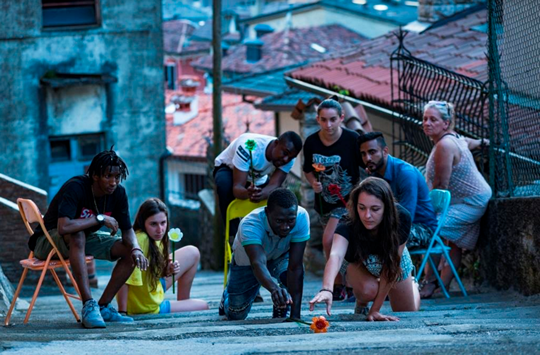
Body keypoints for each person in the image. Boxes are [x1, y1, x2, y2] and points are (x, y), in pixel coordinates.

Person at [28, 148, 148, 328]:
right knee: (77, 234)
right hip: (47, 242)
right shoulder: (76, 187)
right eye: (108, 176)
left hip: (84, 239)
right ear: (95, 176)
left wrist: (137, 248)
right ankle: (88, 305)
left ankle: (104, 307)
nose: (113, 182)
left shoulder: (118, 193)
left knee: (129, 251)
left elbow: (127, 229)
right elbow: (64, 227)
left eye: (117, 177)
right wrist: (99, 218)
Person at [309, 177, 420, 321]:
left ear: (386, 208)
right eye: (362, 208)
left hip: (391, 258)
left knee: (407, 311)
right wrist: (327, 288)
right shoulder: (347, 222)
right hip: (359, 260)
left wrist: (375, 310)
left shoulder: (401, 218)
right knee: (368, 291)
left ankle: (413, 285)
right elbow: (335, 255)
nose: (367, 215)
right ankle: (361, 303)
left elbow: (389, 267)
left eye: (375, 209)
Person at [421, 100, 492, 298]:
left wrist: (427, 214)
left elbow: (440, 186)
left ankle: (430, 282)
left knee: (431, 230)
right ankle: (441, 285)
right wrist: (482, 143)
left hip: (471, 202)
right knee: (451, 242)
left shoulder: (444, 145)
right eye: (425, 119)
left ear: (446, 123)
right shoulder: (453, 138)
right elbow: (467, 142)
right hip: (468, 199)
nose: (427, 123)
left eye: (433, 119)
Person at [219, 188, 310, 320]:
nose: (285, 227)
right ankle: (227, 296)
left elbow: (295, 267)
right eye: (279, 221)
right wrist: (274, 289)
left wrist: (295, 316)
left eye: (290, 221)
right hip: (249, 264)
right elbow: (257, 263)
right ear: (267, 212)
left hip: (279, 257)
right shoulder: (250, 223)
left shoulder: (301, 217)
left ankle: (282, 304)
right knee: (236, 313)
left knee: (288, 275)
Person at [303, 96, 361, 300]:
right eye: (324, 119)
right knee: (340, 243)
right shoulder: (311, 142)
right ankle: (347, 284)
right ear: (317, 119)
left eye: (333, 119)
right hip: (324, 204)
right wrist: (313, 183)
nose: (328, 124)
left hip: (348, 202)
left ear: (341, 118)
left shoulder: (352, 139)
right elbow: (307, 170)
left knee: (328, 241)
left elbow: (363, 167)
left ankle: (337, 285)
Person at [116, 198, 208, 314]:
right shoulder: (141, 240)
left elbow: (152, 270)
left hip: (152, 286)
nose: (160, 230)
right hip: (146, 307)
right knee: (203, 305)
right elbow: (123, 279)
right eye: (153, 224)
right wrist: (122, 313)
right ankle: (184, 307)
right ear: (142, 222)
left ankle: (184, 304)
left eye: (163, 223)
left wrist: (167, 270)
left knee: (192, 252)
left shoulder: (153, 237)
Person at [358, 132, 438, 249]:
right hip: (393, 226)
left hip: (423, 229)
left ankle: (391, 267)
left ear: (385, 151)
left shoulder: (405, 173)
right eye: (363, 154)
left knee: (378, 237)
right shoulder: (374, 173)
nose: (367, 158)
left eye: (372, 152)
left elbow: (406, 217)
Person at [213, 131, 302, 228]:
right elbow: (237, 188)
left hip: (257, 179)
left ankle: (265, 233)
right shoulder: (247, 146)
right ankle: (234, 234)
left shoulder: (289, 157)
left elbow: (274, 185)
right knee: (224, 186)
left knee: (275, 197)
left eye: (291, 157)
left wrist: (260, 194)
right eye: (285, 153)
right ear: (276, 143)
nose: (286, 160)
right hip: (229, 169)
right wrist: (248, 193)